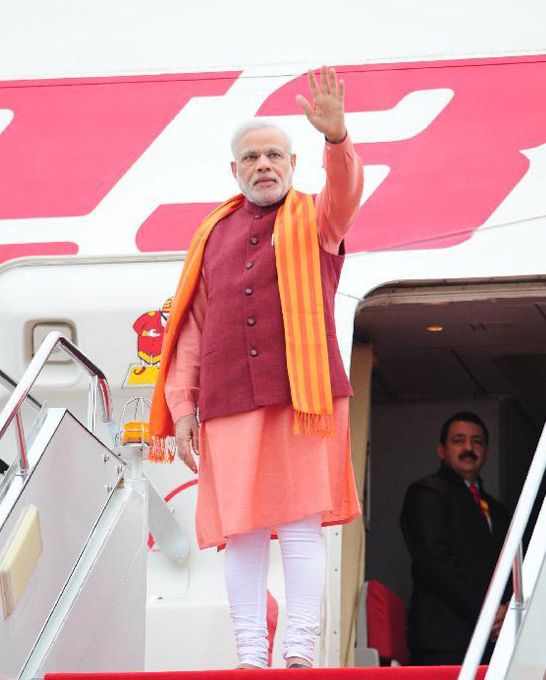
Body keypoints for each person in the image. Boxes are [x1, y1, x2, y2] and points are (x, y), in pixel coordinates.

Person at [149, 66, 363, 669]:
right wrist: (184, 409)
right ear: (234, 171)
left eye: (274, 154)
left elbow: (344, 196)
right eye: (251, 157)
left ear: (293, 163)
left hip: (305, 395)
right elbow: (189, 331)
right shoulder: (210, 234)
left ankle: (298, 652)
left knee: (298, 526)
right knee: (239, 530)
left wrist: (338, 138)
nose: (264, 164)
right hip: (227, 399)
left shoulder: (317, 218)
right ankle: (250, 654)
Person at [400, 411, 511, 666]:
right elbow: (435, 561)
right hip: (444, 640)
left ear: (486, 452)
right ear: (441, 450)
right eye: (459, 440)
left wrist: (506, 610)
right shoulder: (426, 493)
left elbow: (510, 569)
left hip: (492, 642)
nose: (469, 448)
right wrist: (488, 609)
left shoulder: (497, 510)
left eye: (477, 441)